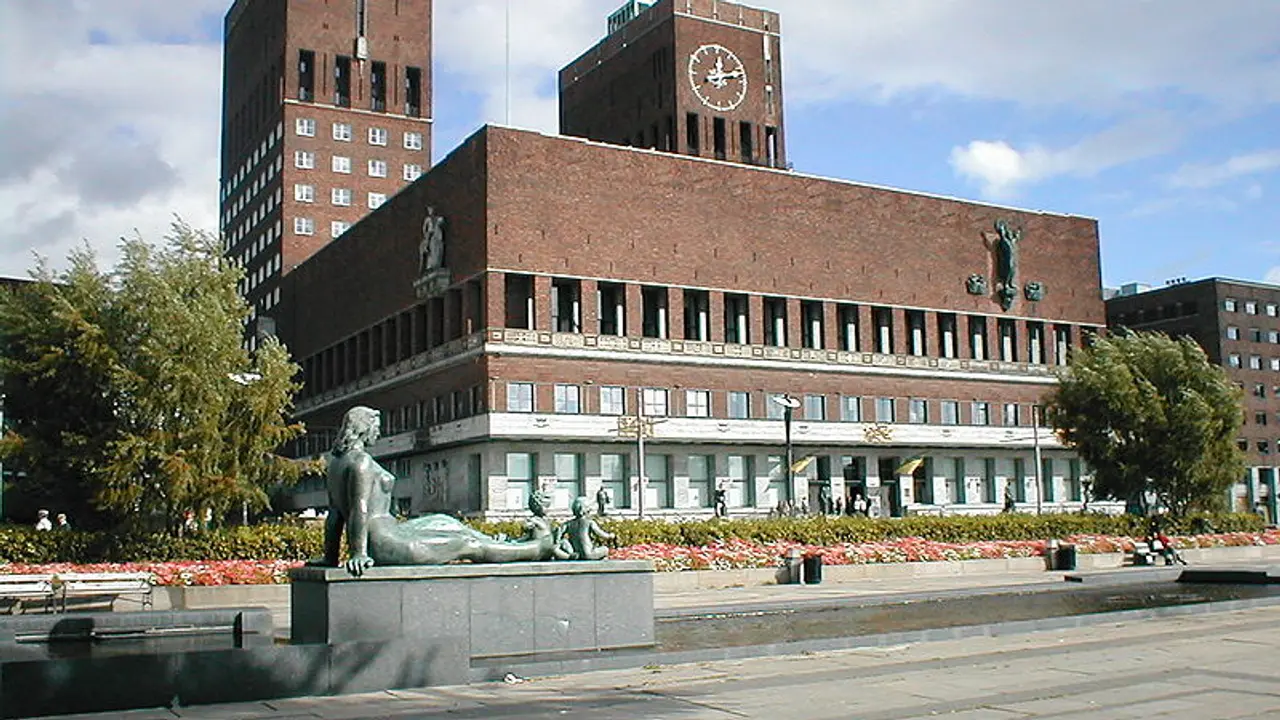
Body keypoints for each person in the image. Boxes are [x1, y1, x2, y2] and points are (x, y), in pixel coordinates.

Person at [316, 406, 554, 575]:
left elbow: (335, 516)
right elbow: (360, 510)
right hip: (387, 542)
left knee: (444, 521)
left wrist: (330, 557)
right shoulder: (361, 462)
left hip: (391, 532)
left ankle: (508, 543)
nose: (378, 433)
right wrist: (359, 554)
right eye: (375, 428)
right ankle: (534, 548)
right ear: (362, 428)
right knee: (466, 543)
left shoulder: (336, 463)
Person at [555, 496, 615, 561]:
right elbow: (601, 534)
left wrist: (558, 541)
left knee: (564, 541)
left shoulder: (568, 524)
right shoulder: (590, 522)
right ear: (586, 509)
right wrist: (610, 536)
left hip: (577, 553)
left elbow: (559, 533)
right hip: (589, 554)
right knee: (605, 549)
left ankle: (572, 554)